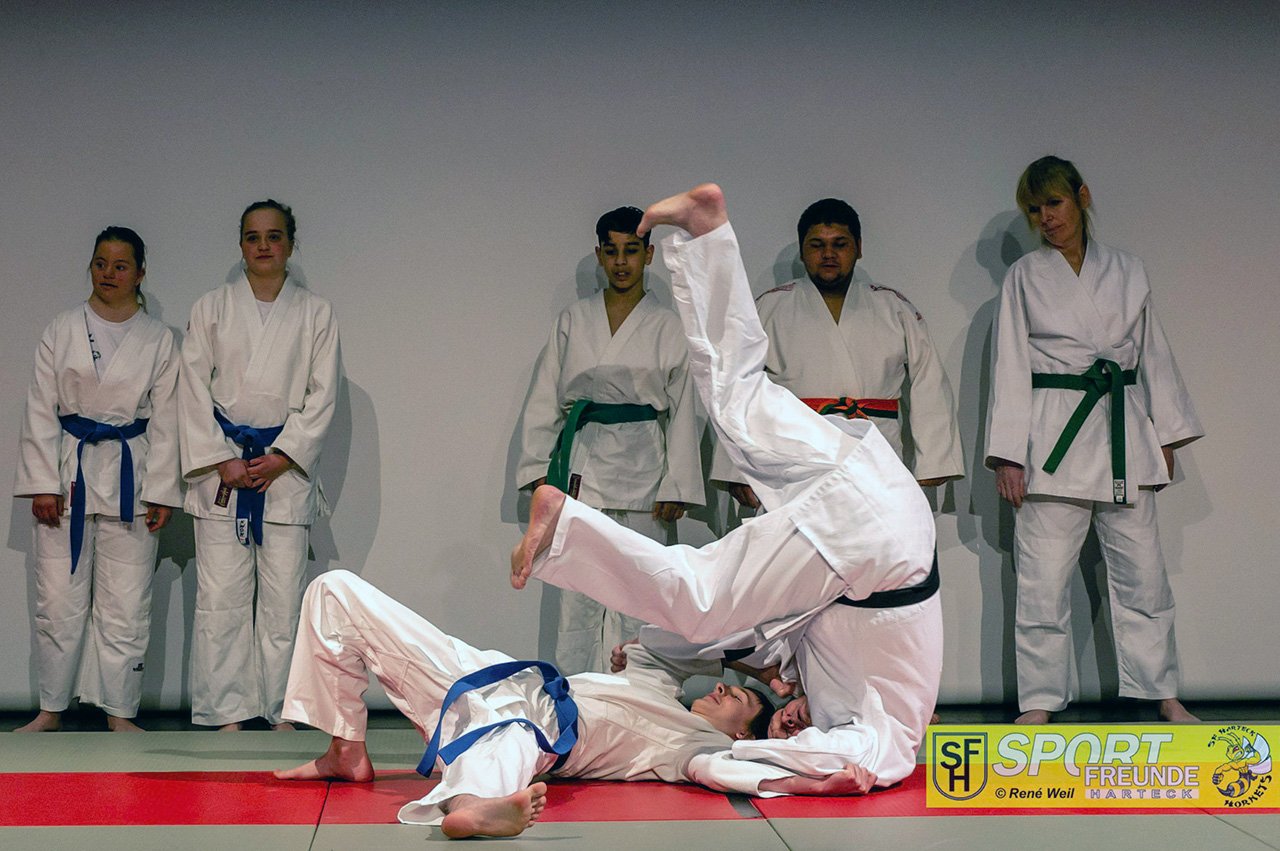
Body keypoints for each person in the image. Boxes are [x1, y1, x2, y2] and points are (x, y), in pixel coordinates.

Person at [512, 183, 942, 787]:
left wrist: (753, 683)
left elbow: (750, 639)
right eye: (796, 727)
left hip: (867, 471)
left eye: (780, 726)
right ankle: (567, 528)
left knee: (737, 395)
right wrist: (730, 762)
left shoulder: (814, 677)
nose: (792, 725)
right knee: (700, 597)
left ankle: (706, 232)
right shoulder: (884, 734)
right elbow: (842, 769)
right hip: (874, 538)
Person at [274, 570, 875, 839]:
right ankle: (345, 750)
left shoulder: (696, 749)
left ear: (742, 733)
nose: (720, 688)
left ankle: (475, 807)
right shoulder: (657, 680)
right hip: (487, 674)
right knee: (335, 592)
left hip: (536, 729)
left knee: (510, 736)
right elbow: (677, 638)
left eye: (736, 699)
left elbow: (736, 772)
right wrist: (762, 667)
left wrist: (814, 785)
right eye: (727, 683)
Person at [984, 155, 1203, 724]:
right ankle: (1039, 700)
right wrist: (1008, 454)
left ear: (1081, 197)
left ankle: (1161, 691)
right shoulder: (1025, 276)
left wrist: (1167, 430)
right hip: (1052, 431)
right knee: (1042, 578)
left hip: (1124, 429)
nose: (1045, 219)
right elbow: (1010, 363)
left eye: (1053, 204)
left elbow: (1153, 352)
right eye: (1035, 210)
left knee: (1143, 576)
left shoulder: (1129, 270)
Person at [515, 206, 703, 674]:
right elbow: (545, 398)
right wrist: (539, 471)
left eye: (632, 251)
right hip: (584, 463)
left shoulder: (668, 325)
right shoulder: (574, 319)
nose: (622, 262)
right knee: (577, 593)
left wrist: (677, 484)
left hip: (646, 465)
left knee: (639, 591)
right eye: (612, 251)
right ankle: (573, 694)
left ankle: (636, 694)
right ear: (599, 254)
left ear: (649, 255)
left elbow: (684, 409)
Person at [178, 200, 343, 731]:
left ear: (291, 244)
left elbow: (323, 394)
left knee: (281, 600)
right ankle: (226, 708)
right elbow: (190, 388)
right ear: (241, 245)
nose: (264, 246)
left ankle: (282, 709)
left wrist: (283, 455)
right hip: (222, 473)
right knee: (221, 599)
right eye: (253, 237)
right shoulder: (211, 308)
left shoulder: (316, 312)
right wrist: (221, 456)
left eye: (274, 236)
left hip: (284, 474)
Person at [13, 226, 181, 732]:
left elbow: (169, 418)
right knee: (58, 600)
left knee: (126, 603)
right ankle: (51, 707)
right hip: (68, 474)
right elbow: (41, 408)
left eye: (121, 265)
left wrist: (161, 490)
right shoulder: (62, 329)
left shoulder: (158, 339)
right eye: (100, 263)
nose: (108, 274)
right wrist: (42, 481)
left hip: (132, 476)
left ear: (141, 273)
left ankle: (119, 710)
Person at [713, 197, 963, 512]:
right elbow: (736, 388)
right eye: (817, 245)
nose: (828, 254)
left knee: (877, 552)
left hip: (877, 452)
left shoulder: (894, 308)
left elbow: (929, 381)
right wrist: (736, 469)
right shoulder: (769, 308)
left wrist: (934, 459)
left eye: (840, 244)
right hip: (794, 460)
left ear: (858, 247)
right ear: (802, 251)